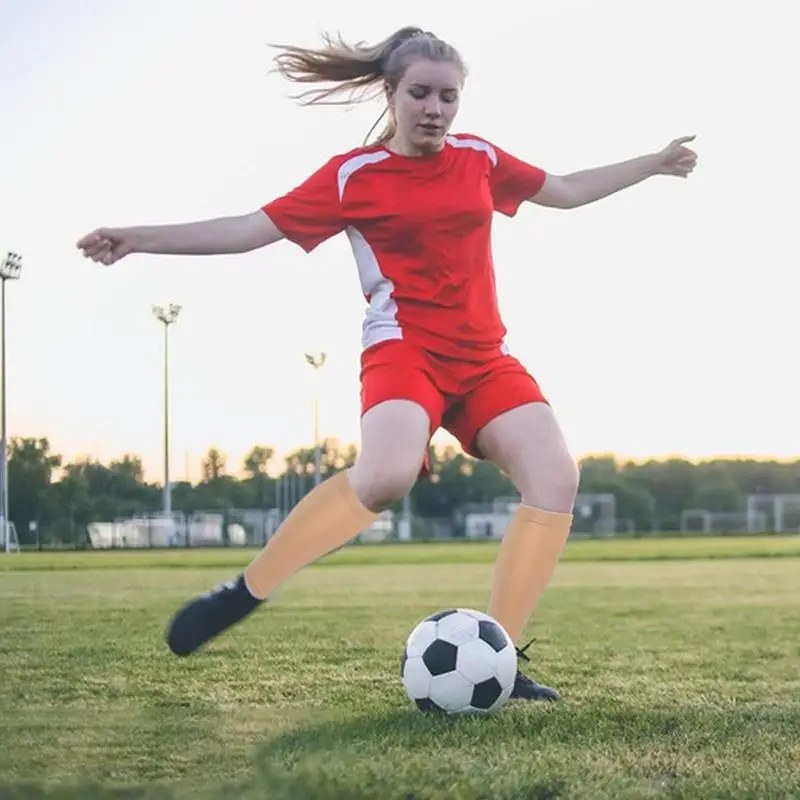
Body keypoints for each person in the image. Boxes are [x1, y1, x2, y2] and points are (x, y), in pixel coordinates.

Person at [77, 26, 697, 702]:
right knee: (386, 476)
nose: (435, 109)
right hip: (405, 350)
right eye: (421, 94)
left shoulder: (479, 158)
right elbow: (251, 229)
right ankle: (243, 592)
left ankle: (502, 656)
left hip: (486, 356)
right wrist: (137, 239)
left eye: (449, 96)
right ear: (392, 93)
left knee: (556, 478)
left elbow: (568, 189)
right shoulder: (353, 176)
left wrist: (655, 162)